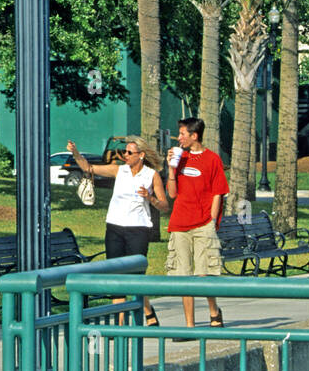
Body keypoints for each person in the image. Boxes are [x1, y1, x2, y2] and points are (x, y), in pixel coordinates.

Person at [66, 136, 168, 326]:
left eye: (129, 153)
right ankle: (120, 322)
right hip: (114, 227)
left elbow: (164, 205)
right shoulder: (119, 171)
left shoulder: (150, 175)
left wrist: (150, 198)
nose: (125, 156)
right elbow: (88, 168)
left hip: (138, 229)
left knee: (135, 275)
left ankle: (148, 311)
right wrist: (75, 152)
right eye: (124, 152)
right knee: (115, 275)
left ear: (141, 155)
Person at [165, 116, 229, 329]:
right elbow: (172, 195)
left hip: (203, 225)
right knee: (183, 277)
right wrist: (172, 170)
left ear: (194, 136)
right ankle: (189, 325)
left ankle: (214, 311)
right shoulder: (179, 159)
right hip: (180, 225)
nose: (179, 137)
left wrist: (211, 220)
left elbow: (218, 193)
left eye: (183, 134)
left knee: (204, 274)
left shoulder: (212, 159)